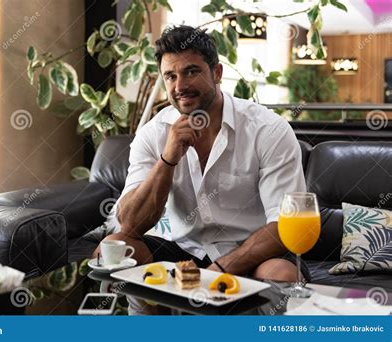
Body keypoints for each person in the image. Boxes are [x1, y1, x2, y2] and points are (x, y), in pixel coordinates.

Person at [94, 25, 309, 282]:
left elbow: (284, 224)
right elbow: (130, 225)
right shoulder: (153, 133)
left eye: (191, 72)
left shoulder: (268, 129)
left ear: (217, 73)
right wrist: (168, 158)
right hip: (184, 250)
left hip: (254, 252)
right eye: (170, 76)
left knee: (282, 274)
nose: (180, 85)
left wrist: (219, 269)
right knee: (116, 246)